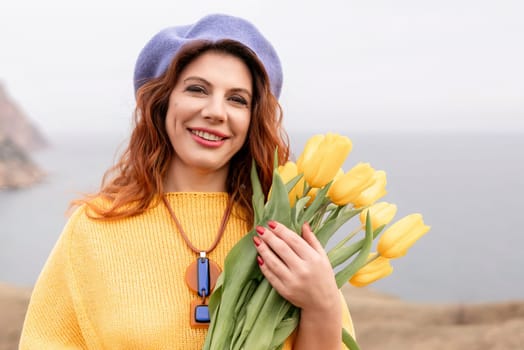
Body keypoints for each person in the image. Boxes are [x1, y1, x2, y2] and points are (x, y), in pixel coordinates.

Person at [19, 13, 354, 349]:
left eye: (237, 99)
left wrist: (322, 304)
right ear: (162, 103)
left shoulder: (283, 234)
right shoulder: (94, 228)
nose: (216, 112)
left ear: (252, 119)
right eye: (197, 89)